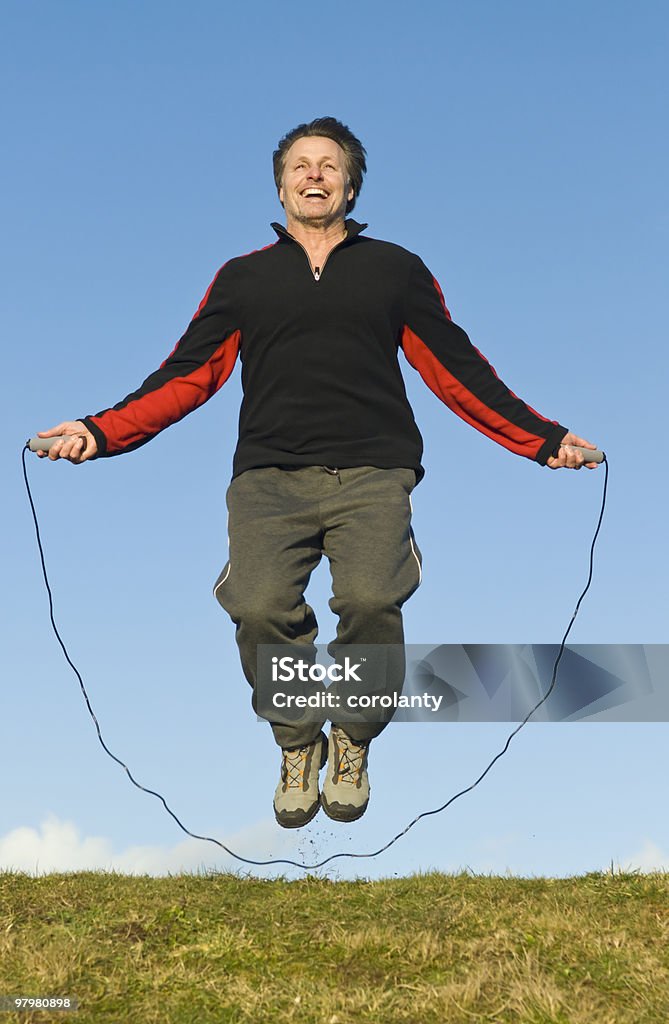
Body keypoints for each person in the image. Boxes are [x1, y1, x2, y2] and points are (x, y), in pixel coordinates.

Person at [37, 116, 599, 830]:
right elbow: (187, 375)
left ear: (350, 183)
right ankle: (297, 743)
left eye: (328, 165)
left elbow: (456, 370)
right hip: (268, 479)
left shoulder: (395, 269)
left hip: (372, 472)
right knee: (260, 606)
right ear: (279, 186)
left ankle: (353, 740)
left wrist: (540, 438)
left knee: (369, 598)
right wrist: (99, 430)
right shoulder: (243, 279)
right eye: (300, 165)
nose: (313, 175)